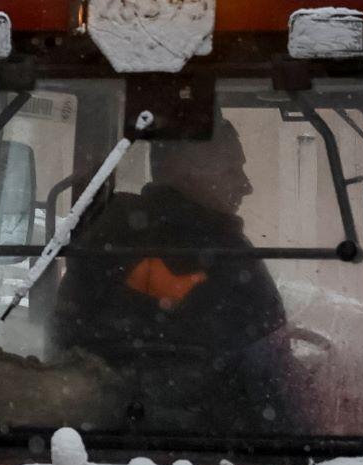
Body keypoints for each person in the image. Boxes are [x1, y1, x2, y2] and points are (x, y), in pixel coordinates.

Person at [53, 118, 293, 429]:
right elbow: (253, 361)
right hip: (213, 439)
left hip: (107, 427)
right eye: (231, 169)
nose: (246, 185)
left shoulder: (110, 232)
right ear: (181, 170)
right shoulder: (217, 255)